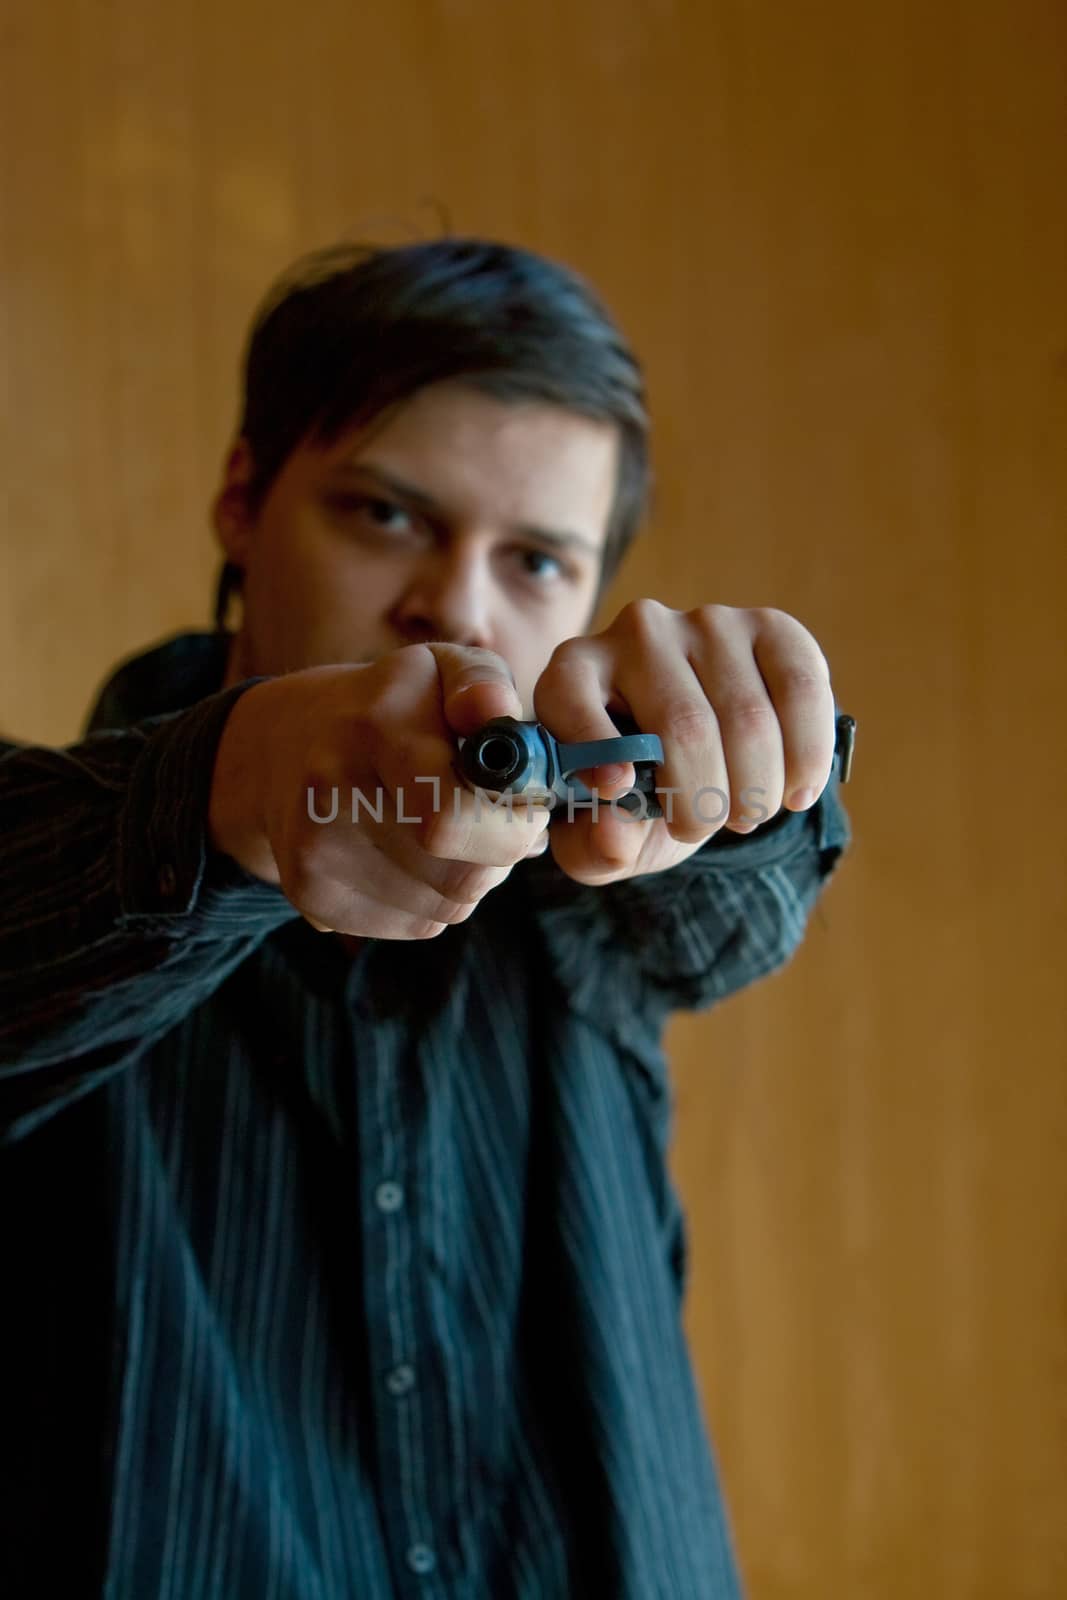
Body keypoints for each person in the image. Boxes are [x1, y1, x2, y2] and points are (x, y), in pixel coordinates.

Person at [0, 236, 852, 1599]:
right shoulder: (53, 867)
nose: (452, 605)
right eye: (386, 515)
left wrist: (742, 773)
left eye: (534, 561)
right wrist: (223, 802)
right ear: (242, 498)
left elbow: (730, 908)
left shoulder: (588, 907)